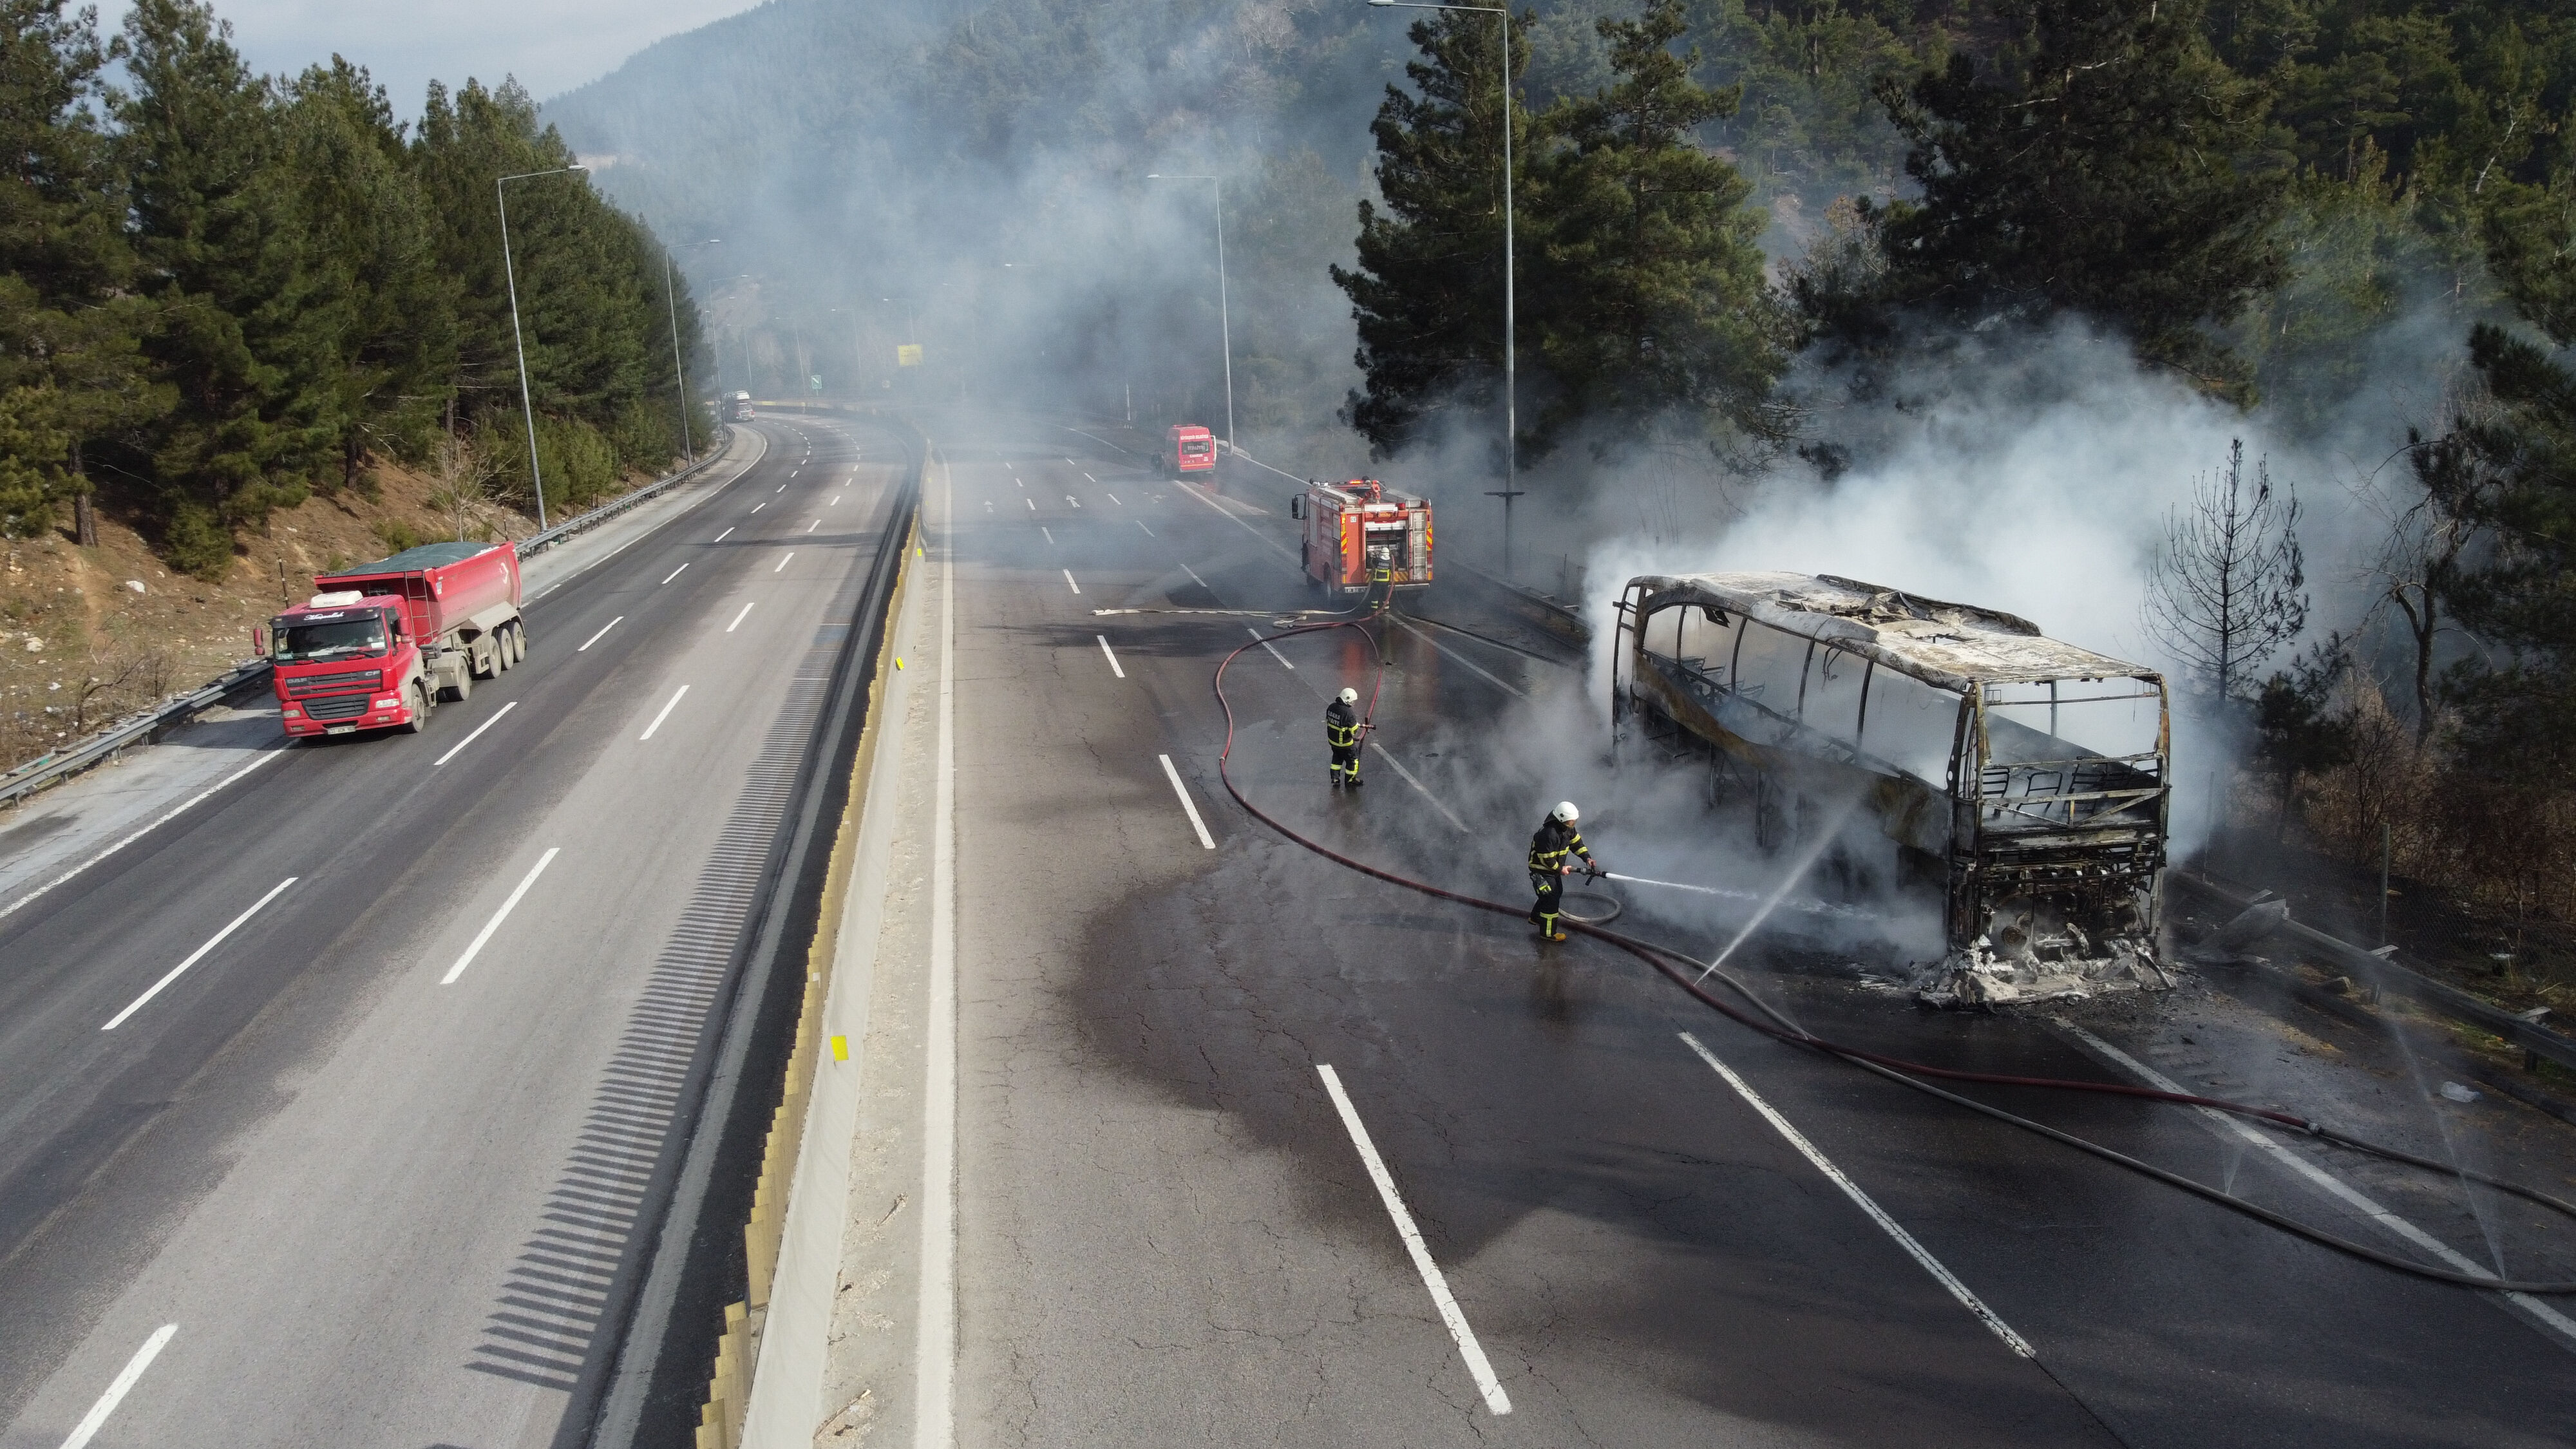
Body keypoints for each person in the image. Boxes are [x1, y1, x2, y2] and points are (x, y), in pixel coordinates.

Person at [1527, 800, 1598, 942]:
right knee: (1551, 898)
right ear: (1561, 819)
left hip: (1553, 870)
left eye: (1574, 822)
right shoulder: (1548, 834)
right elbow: (1546, 859)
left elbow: (1576, 844)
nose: (1573, 824)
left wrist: (1587, 858)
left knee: (1553, 893)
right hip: (1541, 870)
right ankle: (1548, 933)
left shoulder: (1567, 829)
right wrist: (1560, 869)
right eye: (1571, 822)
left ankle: (1535, 917)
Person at [1325, 687, 1364, 788]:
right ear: (1348, 699)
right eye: (1352, 701)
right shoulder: (1348, 712)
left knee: (1337, 759)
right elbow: (1353, 730)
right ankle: (1351, 781)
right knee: (1353, 761)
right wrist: (1356, 725)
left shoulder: (1331, 707)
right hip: (1346, 744)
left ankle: (1335, 778)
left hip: (1333, 742)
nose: (1353, 703)